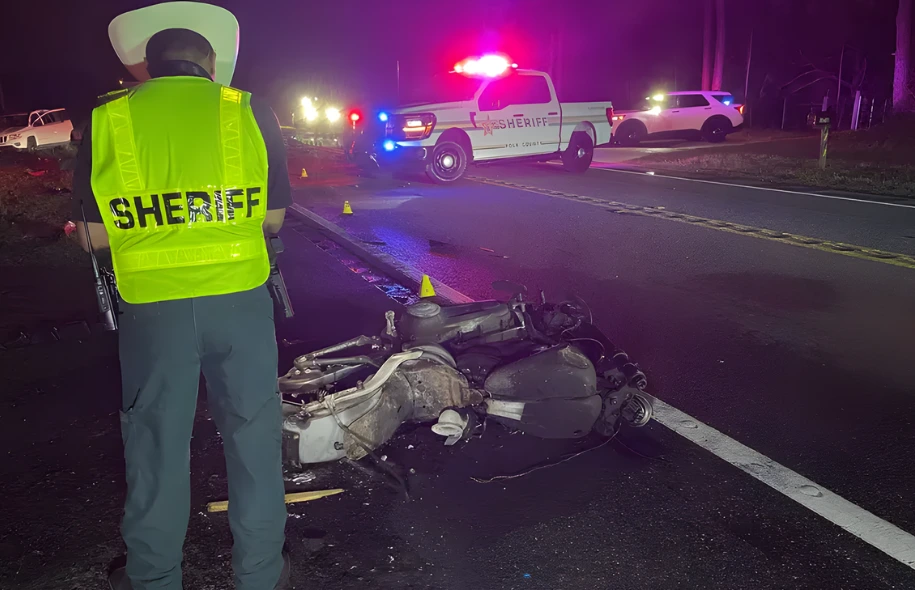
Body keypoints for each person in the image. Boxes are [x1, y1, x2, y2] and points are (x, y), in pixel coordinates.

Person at [72, 23, 292, 590]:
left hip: (153, 311)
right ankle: (262, 576)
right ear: (211, 67)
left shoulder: (108, 118)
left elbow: (95, 236)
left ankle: (152, 577)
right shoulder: (248, 110)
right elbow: (272, 221)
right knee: (252, 437)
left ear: (147, 68)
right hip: (240, 302)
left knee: (154, 444)